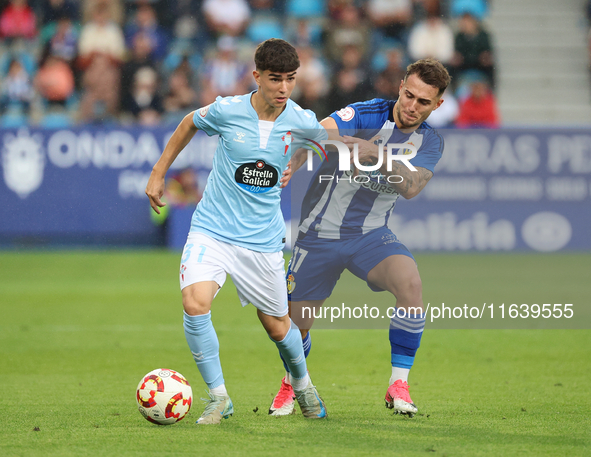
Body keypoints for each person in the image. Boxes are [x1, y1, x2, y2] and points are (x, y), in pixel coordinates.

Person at [145, 38, 328, 425]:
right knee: (195, 304)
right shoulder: (228, 110)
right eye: (275, 79)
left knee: (279, 328)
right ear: (256, 75)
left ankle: (303, 384)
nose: (282, 88)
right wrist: (159, 172)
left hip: (261, 241)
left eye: (290, 80)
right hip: (211, 229)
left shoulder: (300, 119)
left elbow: (319, 142)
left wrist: (295, 160)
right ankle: (218, 398)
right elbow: (187, 123)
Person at [268, 58, 450, 418]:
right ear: (400, 86)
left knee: (410, 284)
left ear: (438, 105)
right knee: (295, 325)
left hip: (371, 236)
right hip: (318, 235)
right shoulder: (367, 114)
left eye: (424, 102)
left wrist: (377, 156)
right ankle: (292, 383)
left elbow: (412, 186)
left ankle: (399, 383)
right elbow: (317, 132)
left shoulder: (430, 141)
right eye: (409, 95)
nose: (412, 107)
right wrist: (302, 157)